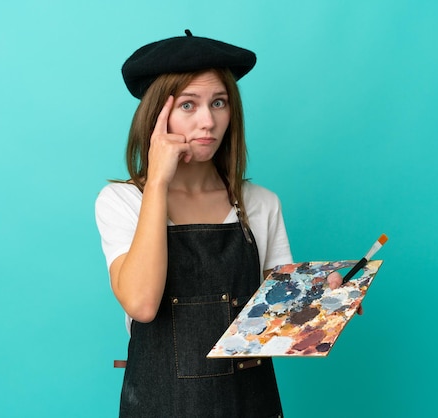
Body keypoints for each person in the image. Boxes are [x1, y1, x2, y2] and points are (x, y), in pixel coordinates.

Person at [95, 30, 345, 417]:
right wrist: (158, 181)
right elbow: (142, 304)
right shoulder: (123, 202)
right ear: (157, 115)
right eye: (188, 106)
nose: (208, 121)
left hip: (251, 404)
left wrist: (330, 300)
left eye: (219, 102)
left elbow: (276, 318)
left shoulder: (260, 203)